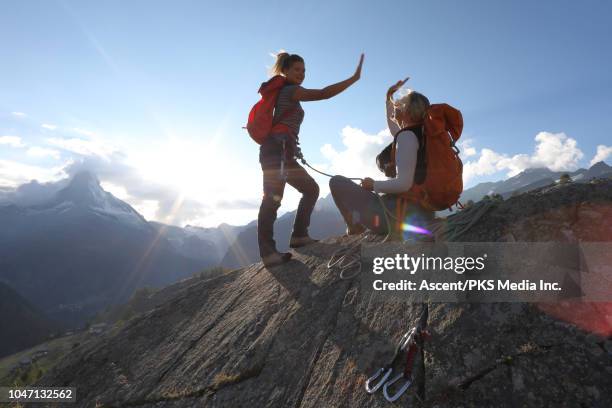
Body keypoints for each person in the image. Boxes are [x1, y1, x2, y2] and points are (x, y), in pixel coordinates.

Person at [258, 52, 365, 267]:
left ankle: (299, 236)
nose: (301, 74)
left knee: (310, 189)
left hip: (283, 152)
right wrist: (353, 79)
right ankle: (268, 253)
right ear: (285, 71)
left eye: (304, 71)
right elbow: (324, 93)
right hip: (276, 152)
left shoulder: (287, 93)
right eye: (297, 70)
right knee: (272, 199)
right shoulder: (290, 91)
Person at [329, 78, 435, 239]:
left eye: (401, 102)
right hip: (422, 211)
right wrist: (388, 98)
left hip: (399, 215)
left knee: (336, 182)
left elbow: (404, 184)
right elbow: (394, 129)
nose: (397, 104)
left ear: (407, 110)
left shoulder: (407, 137)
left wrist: (373, 185)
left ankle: (354, 228)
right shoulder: (420, 135)